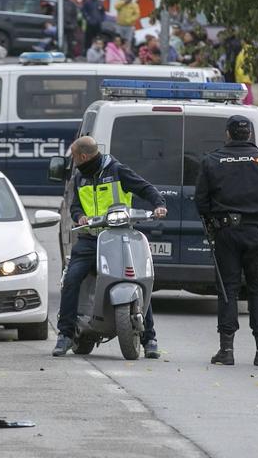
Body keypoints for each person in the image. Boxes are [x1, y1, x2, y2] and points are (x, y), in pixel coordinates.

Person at [54, 137, 168, 358]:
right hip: (90, 239)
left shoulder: (117, 171)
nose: (73, 162)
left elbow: (144, 188)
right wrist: (80, 217)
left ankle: (149, 338)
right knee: (72, 278)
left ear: (83, 156)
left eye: (74, 157)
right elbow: (75, 207)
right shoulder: (80, 179)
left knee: (136, 280)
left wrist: (159, 204)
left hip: (119, 235)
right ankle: (65, 334)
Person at [195, 115, 258, 366]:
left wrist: (213, 223)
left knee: (228, 289)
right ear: (250, 135)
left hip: (226, 232)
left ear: (228, 134)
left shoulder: (212, 160)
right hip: (256, 232)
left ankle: (226, 350)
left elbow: (201, 200)